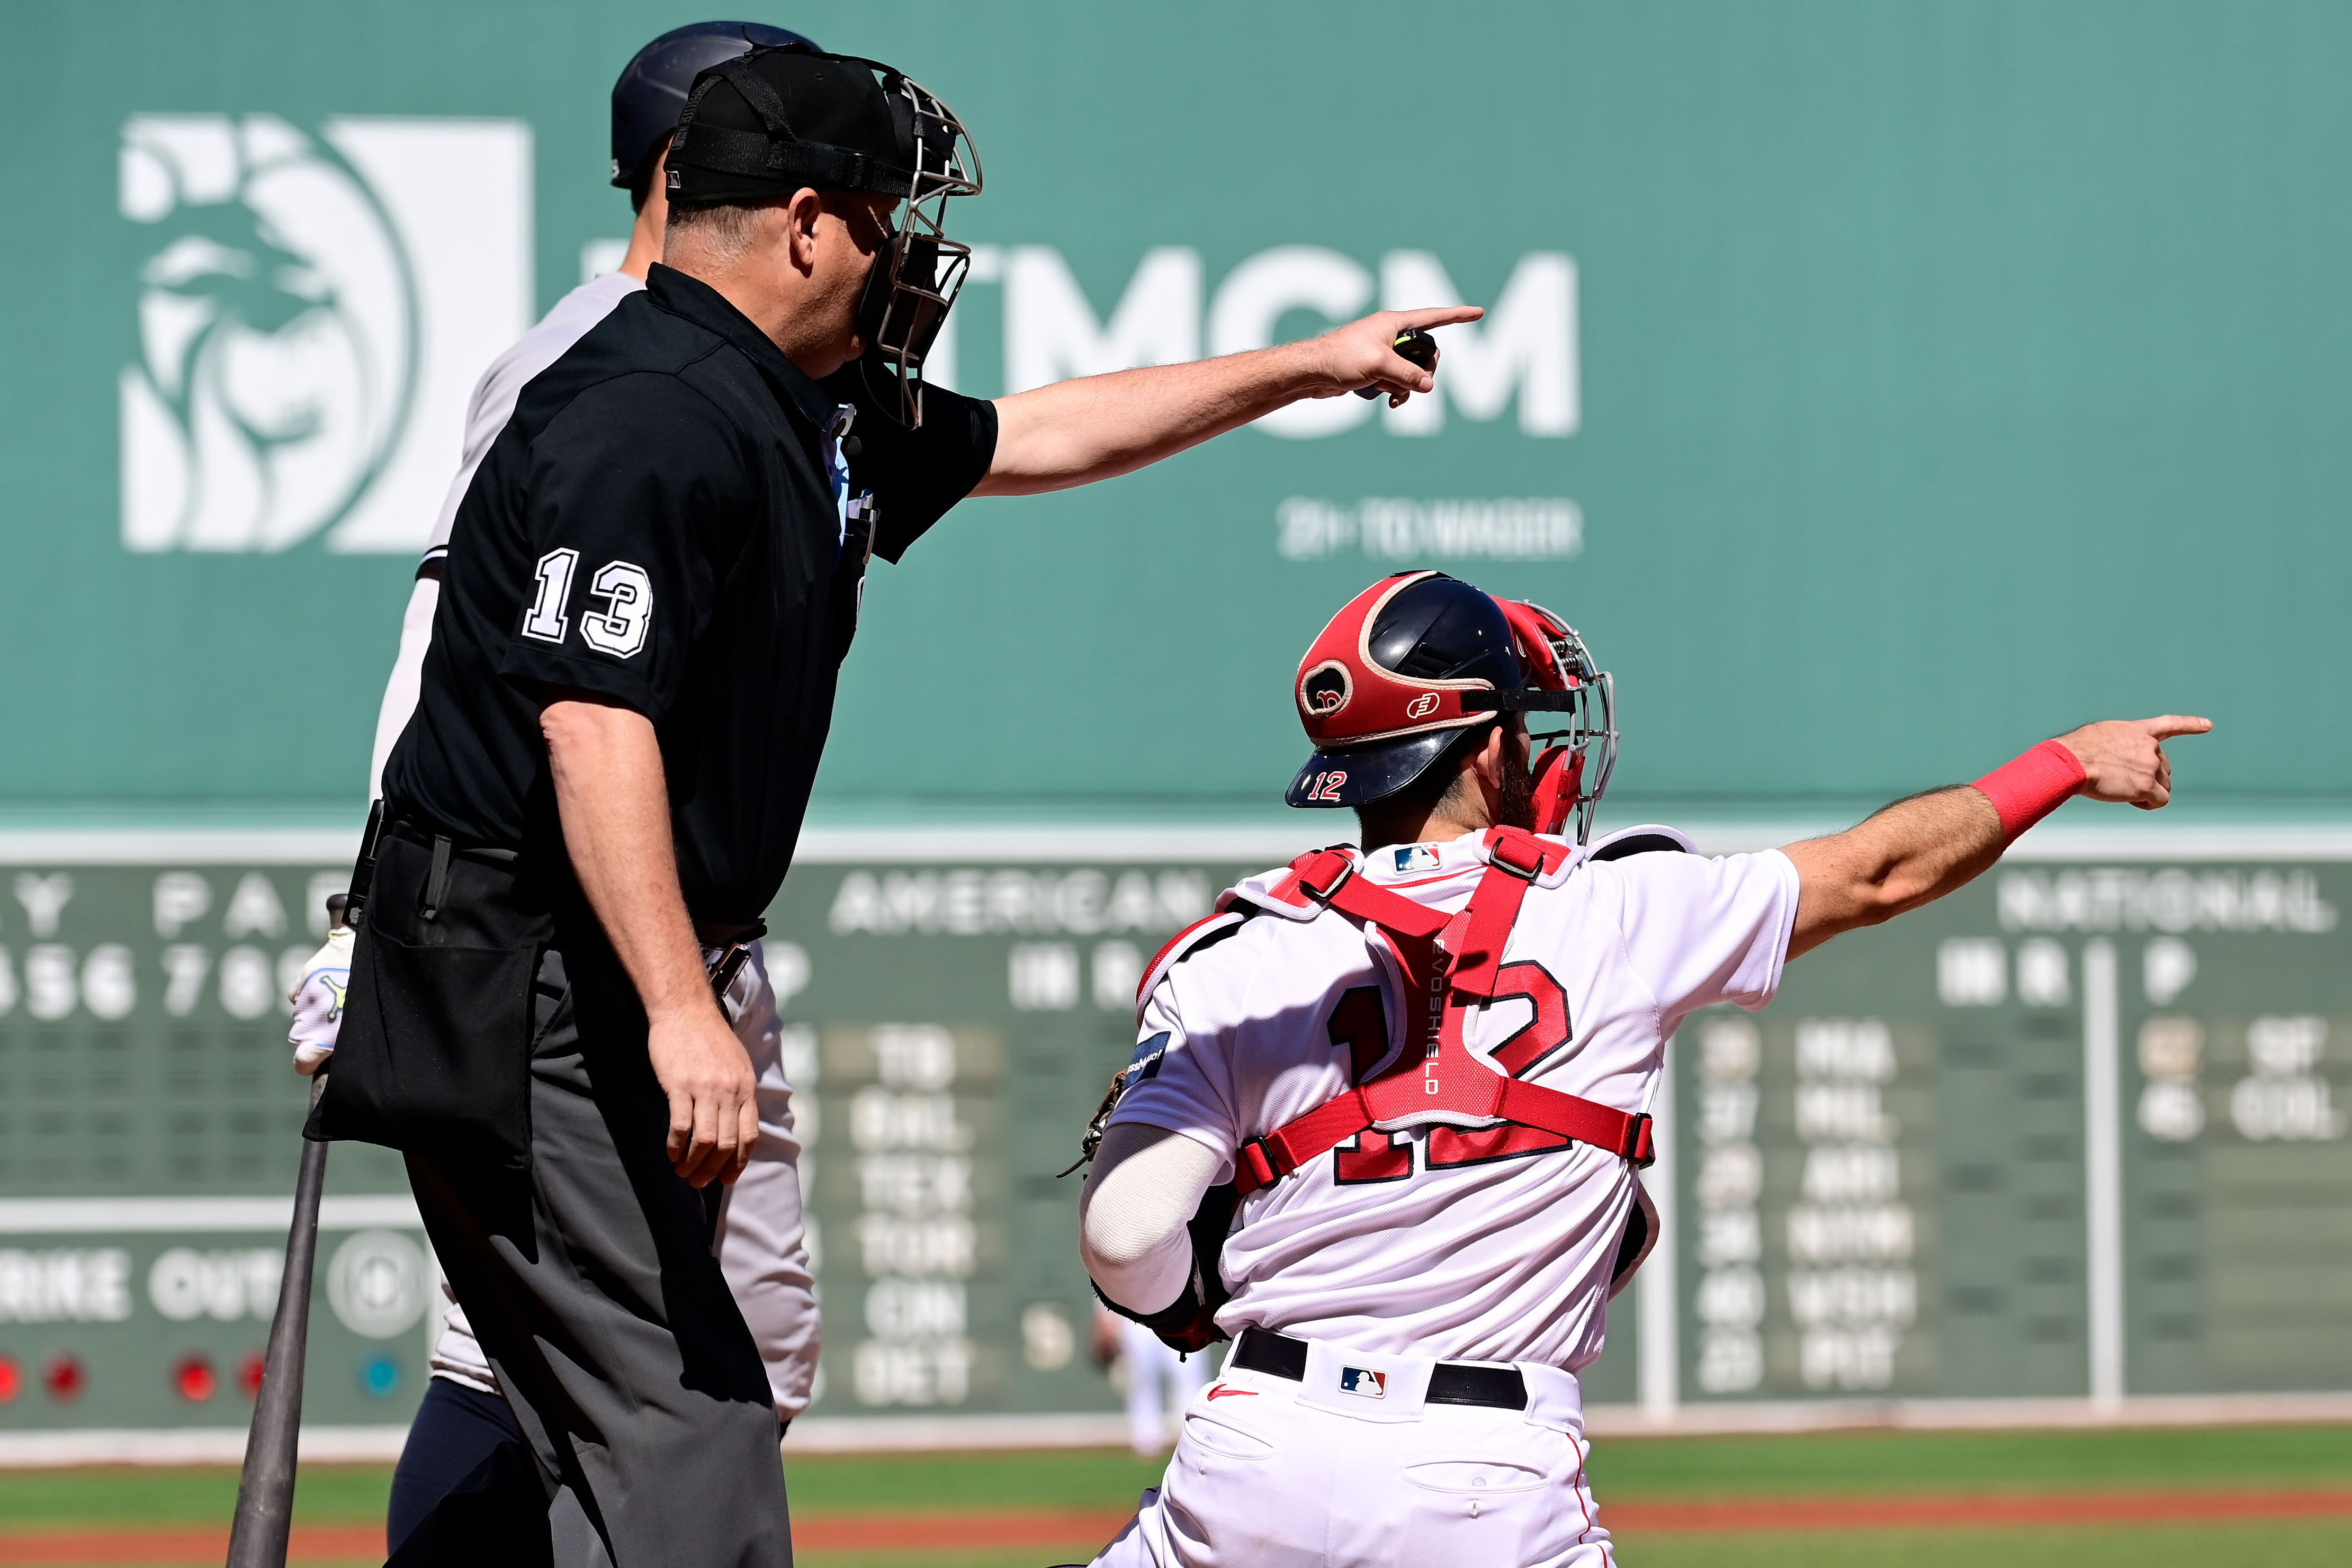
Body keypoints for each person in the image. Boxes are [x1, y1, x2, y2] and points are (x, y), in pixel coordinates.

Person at [313, 37, 1480, 1568]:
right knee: (682, 1420)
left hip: (594, 953)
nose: (904, 253)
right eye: (879, 216)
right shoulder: (639, 406)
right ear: (801, 222)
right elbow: (587, 723)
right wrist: (675, 1005)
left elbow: (1046, 431)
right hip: (538, 965)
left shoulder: (792, 399)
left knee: (658, 1400)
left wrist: (1305, 364)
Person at [1072, 570, 2210, 1568]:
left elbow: (1126, 1238)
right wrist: (2065, 761)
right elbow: (1880, 871)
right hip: (1483, 1470)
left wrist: (1187, 1298)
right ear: (1485, 745)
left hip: (1254, 1446)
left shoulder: (1237, 946)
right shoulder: (1616, 904)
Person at [289, 23, 822, 1564]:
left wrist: (1287, 369)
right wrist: (373, 913)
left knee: (734, 1357)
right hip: (558, 952)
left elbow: (1006, 443)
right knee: (598, 1365)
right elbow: (463, 644)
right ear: (689, 173)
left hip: (654, 936)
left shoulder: (756, 373)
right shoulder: (596, 365)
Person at [1093, 1303, 1213, 1458]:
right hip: (1136, 1319)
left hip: (1182, 1314)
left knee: (1190, 1378)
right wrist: (1106, 1320)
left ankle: (1196, 1439)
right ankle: (1147, 1442)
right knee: (1142, 1382)